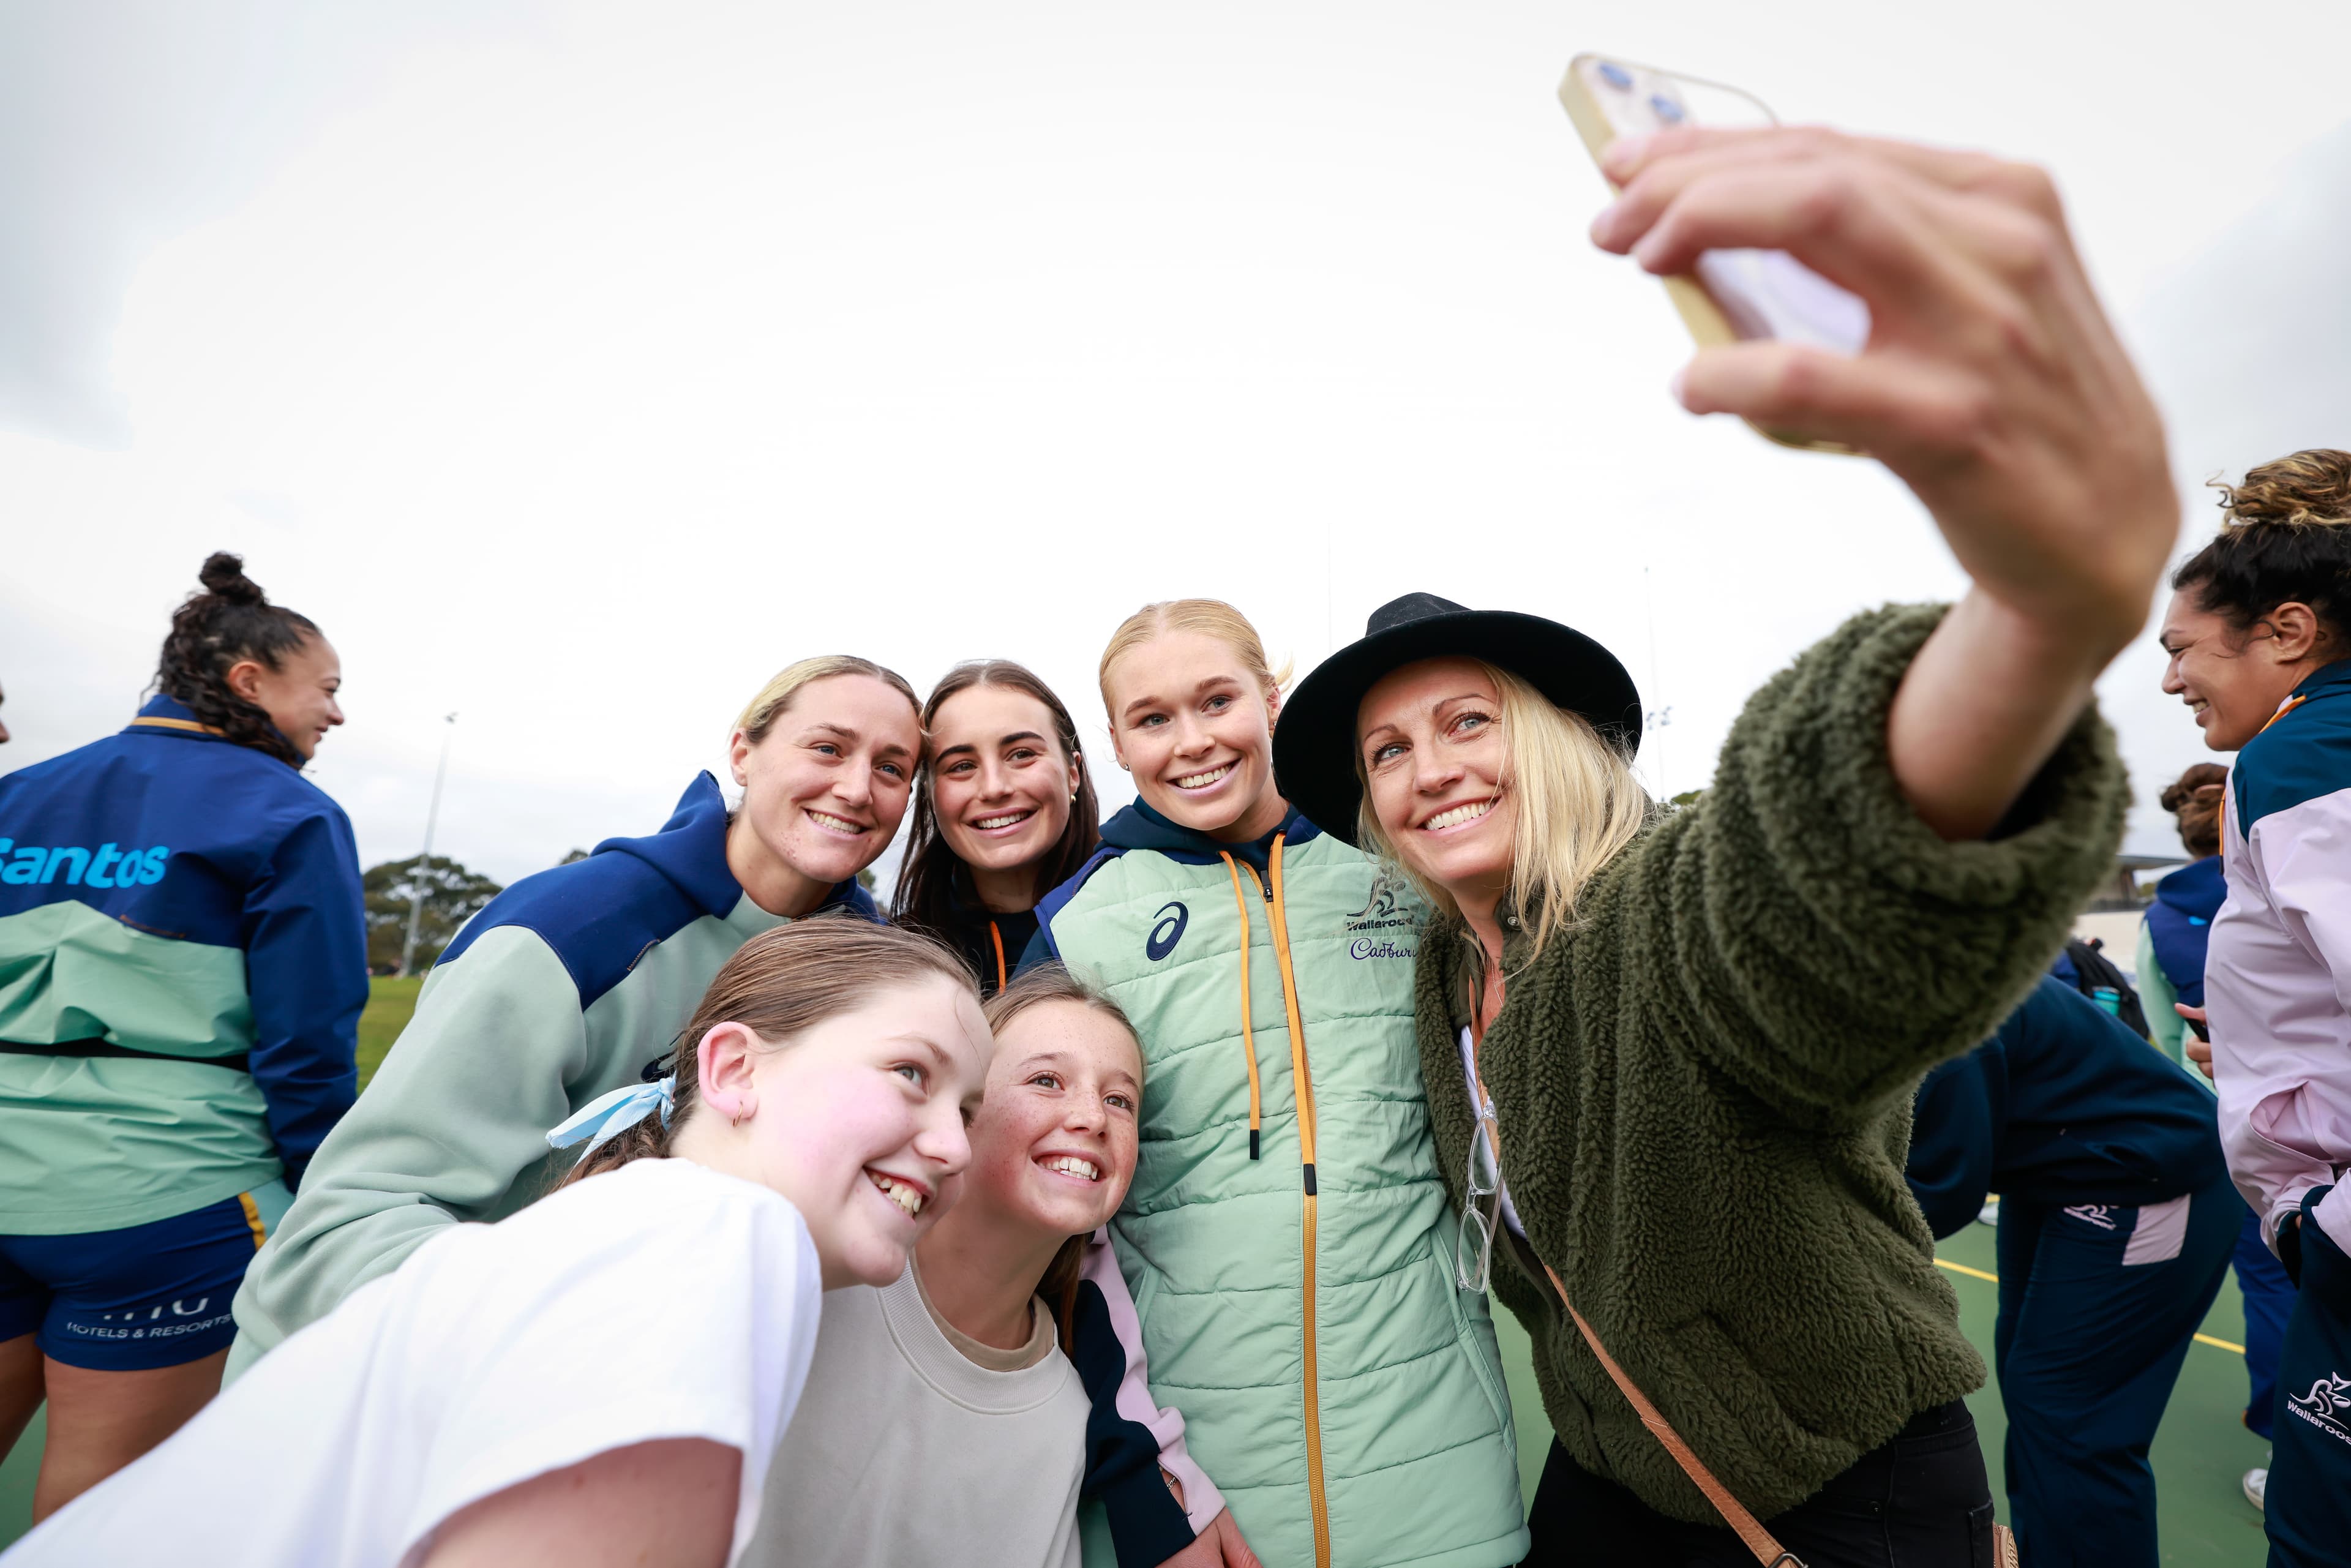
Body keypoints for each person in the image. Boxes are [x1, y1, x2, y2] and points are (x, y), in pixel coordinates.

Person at [1270, 126, 2177, 1564]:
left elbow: (1814, 869)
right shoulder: (1442, 975)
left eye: (1466, 720)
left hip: (1837, 1489)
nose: (1426, 768)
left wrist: (2035, 609)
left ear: (1566, 738)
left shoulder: (1657, 906)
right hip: (1611, 1469)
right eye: (1387, 751)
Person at [2, 917, 992, 1568]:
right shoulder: (719, 1236)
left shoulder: (616, 1225)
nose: (953, 1145)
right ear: (733, 1069)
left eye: (969, 1106)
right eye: (911, 1072)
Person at [227, 653, 921, 1375]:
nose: (855, 787)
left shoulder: (877, 980)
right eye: (828, 748)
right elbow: (349, 1221)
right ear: (744, 751)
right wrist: (571, 1343)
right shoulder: (572, 930)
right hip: (403, 1384)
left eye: (893, 768)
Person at [1028, 599, 1528, 1568]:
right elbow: (1055, 1237)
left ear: (1271, 699)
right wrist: (1144, 1485)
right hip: (1207, 1469)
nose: (1194, 741)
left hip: (1439, 1452)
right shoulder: (1080, 923)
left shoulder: (1400, 865)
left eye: (1218, 700)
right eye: (1154, 719)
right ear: (1118, 744)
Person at [0, 552, 365, 1518]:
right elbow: (305, 1047)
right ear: (251, 682)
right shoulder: (293, 812)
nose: (336, 713)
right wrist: (335, 1196)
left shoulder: (18, 791)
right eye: (326, 690)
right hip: (166, 1201)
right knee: (99, 1518)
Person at [748, 963, 1144, 1567]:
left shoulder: (1063, 1420)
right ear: (963, 1109)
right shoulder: (824, 1272)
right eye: (1046, 1079)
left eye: (1121, 1099)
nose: (1093, 1116)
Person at [2159, 447, 2351, 1567]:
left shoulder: (2305, 754)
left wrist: (2322, 1225)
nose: (2174, 682)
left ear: (2286, 632)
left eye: (2183, 649)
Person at [1907, 977, 2238, 1566]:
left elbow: (1940, 1189)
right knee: (2029, 1385)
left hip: (2153, 1178)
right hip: (2057, 1174)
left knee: (2070, 1418)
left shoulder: (1944, 1008)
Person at [2139, 761, 2293, 1504]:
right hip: (2330, 1104)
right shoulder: (2288, 869)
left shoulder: (2160, 918)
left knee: (2271, 1278)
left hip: (2236, 1124)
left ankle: (2284, 1423)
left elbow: (2167, 1044)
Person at [893, 661, 1101, 996]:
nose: (994, 788)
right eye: (961, 766)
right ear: (931, 794)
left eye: (1021, 755)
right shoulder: (895, 957)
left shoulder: (1154, 911)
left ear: (1072, 772)